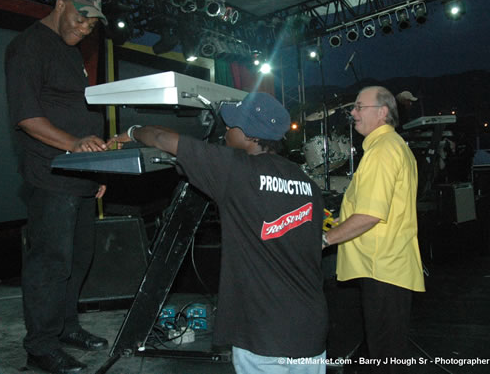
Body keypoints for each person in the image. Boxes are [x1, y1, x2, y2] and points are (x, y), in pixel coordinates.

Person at [109, 92, 328, 374]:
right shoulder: (306, 183)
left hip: (263, 332)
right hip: (310, 327)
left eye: (232, 125)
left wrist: (131, 132)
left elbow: (162, 139)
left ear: (251, 136)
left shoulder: (234, 170)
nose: (226, 130)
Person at [5, 0, 110, 374]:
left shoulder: (70, 54)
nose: (84, 29)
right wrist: (76, 145)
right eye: (80, 18)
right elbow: (27, 118)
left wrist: (95, 167)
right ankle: (41, 345)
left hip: (80, 175)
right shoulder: (28, 46)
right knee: (50, 263)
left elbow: (77, 112)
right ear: (60, 3)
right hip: (50, 175)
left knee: (79, 258)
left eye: (90, 25)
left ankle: (67, 326)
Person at [322, 86, 425, 374]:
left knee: (384, 359)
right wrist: (337, 223)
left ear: (382, 112)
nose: (352, 113)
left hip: (382, 269)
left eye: (358, 107)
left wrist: (323, 239)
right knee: (383, 353)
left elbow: (369, 215)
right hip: (387, 267)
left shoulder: (382, 152)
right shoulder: (391, 146)